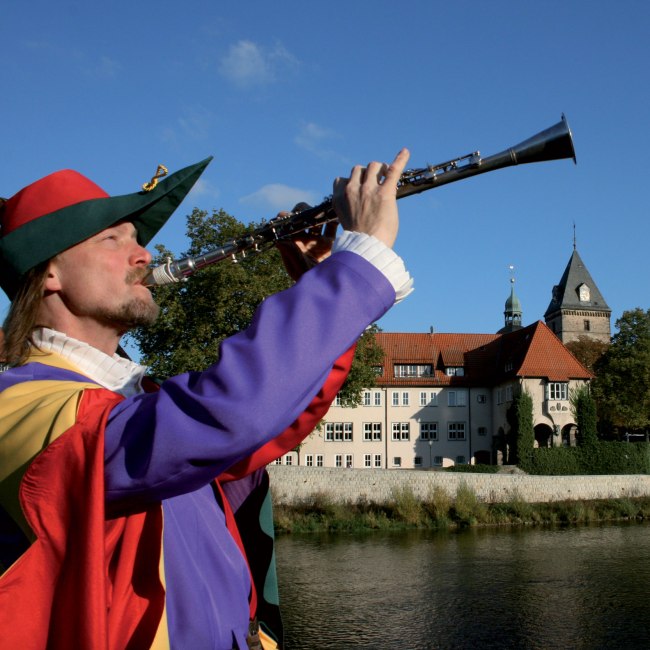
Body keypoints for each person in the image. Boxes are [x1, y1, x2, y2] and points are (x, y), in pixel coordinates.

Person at [0, 149, 412, 649]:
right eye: (112, 239)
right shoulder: (19, 405)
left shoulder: (129, 401)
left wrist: (321, 289)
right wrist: (355, 265)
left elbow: (274, 420)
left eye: (138, 239)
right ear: (49, 274)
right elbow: (228, 411)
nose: (144, 255)